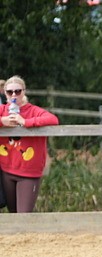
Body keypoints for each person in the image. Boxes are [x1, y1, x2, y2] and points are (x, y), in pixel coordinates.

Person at [0, 76, 60, 212]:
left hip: (29, 172)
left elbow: (53, 119)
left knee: (23, 216)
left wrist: (26, 122)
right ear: (5, 93)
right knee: (13, 214)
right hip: (6, 170)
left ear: (24, 92)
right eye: (10, 92)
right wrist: (2, 121)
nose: (14, 95)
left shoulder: (33, 110)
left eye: (18, 91)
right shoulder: (3, 110)